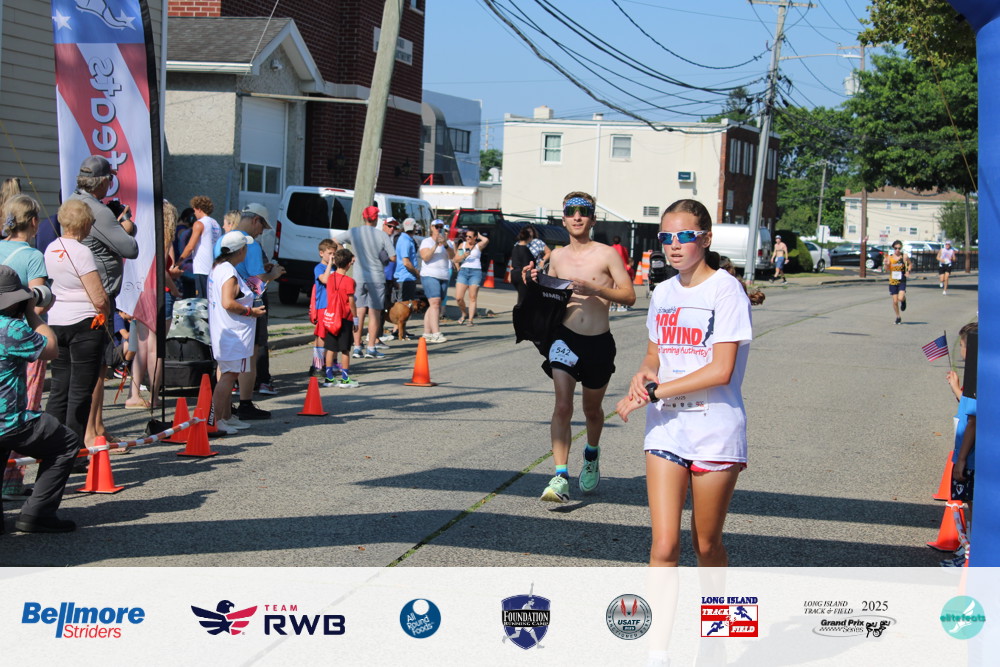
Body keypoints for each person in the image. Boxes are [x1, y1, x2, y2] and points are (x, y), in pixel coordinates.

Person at [615, 198, 752, 567]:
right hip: (666, 428)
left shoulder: (725, 290)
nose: (674, 245)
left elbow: (721, 370)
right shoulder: (663, 292)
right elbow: (654, 354)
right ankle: (662, 610)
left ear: (706, 238)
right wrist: (645, 373)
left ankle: (716, 608)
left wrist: (656, 392)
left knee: (706, 545)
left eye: (685, 236)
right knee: (663, 547)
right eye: (666, 237)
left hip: (714, 431)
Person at [526, 192, 635, 503]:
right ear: (563, 219)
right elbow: (550, 296)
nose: (577, 217)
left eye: (583, 212)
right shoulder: (557, 257)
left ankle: (591, 454)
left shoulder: (607, 254)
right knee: (563, 405)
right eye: (571, 212)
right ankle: (560, 476)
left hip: (599, 341)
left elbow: (629, 296)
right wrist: (533, 281)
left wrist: (595, 289)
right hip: (565, 339)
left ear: (592, 219)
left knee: (592, 410)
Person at [0, 265, 81, 532]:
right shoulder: (11, 329)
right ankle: (37, 514)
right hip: (9, 421)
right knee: (66, 443)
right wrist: (32, 313)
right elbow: (51, 348)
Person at [70, 156, 138, 446]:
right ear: (104, 182)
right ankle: (91, 433)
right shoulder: (98, 210)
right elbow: (130, 248)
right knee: (97, 370)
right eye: (110, 179)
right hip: (99, 297)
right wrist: (126, 226)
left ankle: (97, 427)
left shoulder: (72, 202)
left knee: (92, 369)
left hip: (75, 294)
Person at [43, 200, 110, 445]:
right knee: (80, 392)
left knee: (59, 389)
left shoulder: (51, 248)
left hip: (57, 320)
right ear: (85, 223)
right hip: (84, 323)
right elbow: (98, 297)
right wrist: (107, 312)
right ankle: (75, 450)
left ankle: (51, 445)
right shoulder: (82, 251)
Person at [0, 194, 50, 500]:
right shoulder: (32, 256)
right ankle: (12, 481)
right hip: (20, 339)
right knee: (23, 406)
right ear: (33, 222)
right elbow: (37, 304)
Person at [228, 205, 284, 419]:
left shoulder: (224, 240)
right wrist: (274, 274)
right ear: (256, 221)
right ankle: (245, 403)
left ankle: (224, 407)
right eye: (262, 227)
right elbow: (256, 280)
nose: (261, 232)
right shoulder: (249, 243)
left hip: (226, 302)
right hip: (250, 303)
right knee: (250, 353)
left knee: (227, 357)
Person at [208, 231, 265, 435]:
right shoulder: (229, 272)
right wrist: (251, 312)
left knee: (228, 374)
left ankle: (225, 417)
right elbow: (228, 302)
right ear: (241, 250)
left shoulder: (220, 268)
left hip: (226, 330)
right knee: (229, 376)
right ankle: (216, 420)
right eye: (245, 247)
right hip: (234, 333)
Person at [126, 200, 181, 410]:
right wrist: (175, 290)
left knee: (141, 347)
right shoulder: (164, 238)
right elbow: (163, 270)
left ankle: (134, 394)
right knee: (155, 349)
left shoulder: (141, 235)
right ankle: (154, 396)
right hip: (160, 294)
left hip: (141, 292)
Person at [333, 205, 395, 360]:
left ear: (363, 217)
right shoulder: (382, 235)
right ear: (376, 218)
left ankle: (357, 347)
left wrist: (348, 255)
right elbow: (393, 258)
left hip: (359, 278)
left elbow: (335, 240)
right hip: (376, 278)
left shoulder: (354, 232)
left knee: (359, 312)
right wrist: (382, 255)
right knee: (374, 313)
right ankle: (371, 347)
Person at [942, 321, 977, 567]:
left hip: (971, 457)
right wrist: (956, 389)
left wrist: (961, 459)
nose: (961, 349)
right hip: (970, 455)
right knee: (971, 504)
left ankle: (971, 556)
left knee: (973, 506)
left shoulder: (977, 378)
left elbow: (973, 421)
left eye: (963, 345)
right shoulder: (976, 376)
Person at [321, 248, 360, 388]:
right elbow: (351, 302)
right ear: (349, 264)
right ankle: (345, 378)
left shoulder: (330, 278)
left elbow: (324, 280)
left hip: (331, 317)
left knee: (330, 348)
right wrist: (355, 318)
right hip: (345, 317)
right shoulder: (350, 281)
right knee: (345, 349)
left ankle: (329, 378)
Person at [419, 219, 455, 343]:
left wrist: (445, 245)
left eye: (441, 227)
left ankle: (427, 333)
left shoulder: (448, 243)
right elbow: (425, 257)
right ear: (431, 228)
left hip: (443, 276)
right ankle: (436, 333)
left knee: (435, 305)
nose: (439, 229)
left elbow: (452, 257)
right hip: (429, 275)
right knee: (435, 302)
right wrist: (435, 245)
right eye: (436, 226)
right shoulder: (426, 241)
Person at [177, 195, 220, 299]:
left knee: (201, 302)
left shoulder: (199, 224)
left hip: (202, 268)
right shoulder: (216, 224)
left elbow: (190, 246)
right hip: (213, 268)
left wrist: (178, 263)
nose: (194, 213)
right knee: (210, 300)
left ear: (199, 209)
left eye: (194, 210)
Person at [310, 238, 339, 376]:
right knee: (321, 335)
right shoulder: (319, 268)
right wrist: (330, 265)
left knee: (334, 334)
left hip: (334, 306)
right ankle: (317, 364)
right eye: (329, 253)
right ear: (321, 253)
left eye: (334, 253)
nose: (332, 256)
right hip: (323, 305)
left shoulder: (335, 268)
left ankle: (331, 362)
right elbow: (325, 280)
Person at [454, 228, 489, 326]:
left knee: (472, 297)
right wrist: (463, 256)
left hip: (475, 272)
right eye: (466, 236)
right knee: (459, 298)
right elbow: (456, 259)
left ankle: (470, 320)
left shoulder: (478, 246)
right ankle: (464, 313)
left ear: (475, 237)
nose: (467, 238)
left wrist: (479, 235)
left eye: (470, 236)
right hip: (463, 271)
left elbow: (486, 240)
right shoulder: (462, 245)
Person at [394, 218, 421, 302]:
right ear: (414, 227)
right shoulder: (405, 241)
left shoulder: (405, 239)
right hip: (405, 278)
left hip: (406, 277)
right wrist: (416, 272)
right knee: (405, 305)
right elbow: (406, 262)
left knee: (405, 304)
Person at [885, 240, 911, 325]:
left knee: (900, 298)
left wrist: (908, 271)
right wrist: (886, 264)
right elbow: (887, 269)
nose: (897, 250)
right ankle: (898, 317)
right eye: (896, 248)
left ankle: (903, 300)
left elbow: (910, 264)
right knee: (895, 301)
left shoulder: (904, 256)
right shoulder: (890, 257)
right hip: (893, 281)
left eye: (899, 248)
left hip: (901, 280)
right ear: (893, 248)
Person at [510, 226, 537, 307]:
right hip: (521, 275)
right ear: (529, 238)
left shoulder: (515, 247)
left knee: (521, 296)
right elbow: (527, 265)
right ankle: (520, 313)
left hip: (514, 274)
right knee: (523, 298)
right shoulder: (525, 250)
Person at [610, 235, 632, 311]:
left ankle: (611, 306)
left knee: (612, 287)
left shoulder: (610, 249)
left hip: (611, 268)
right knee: (619, 287)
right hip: (620, 269)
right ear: (620, 241)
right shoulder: (623, 248)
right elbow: (626, 258)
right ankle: (619, 306)